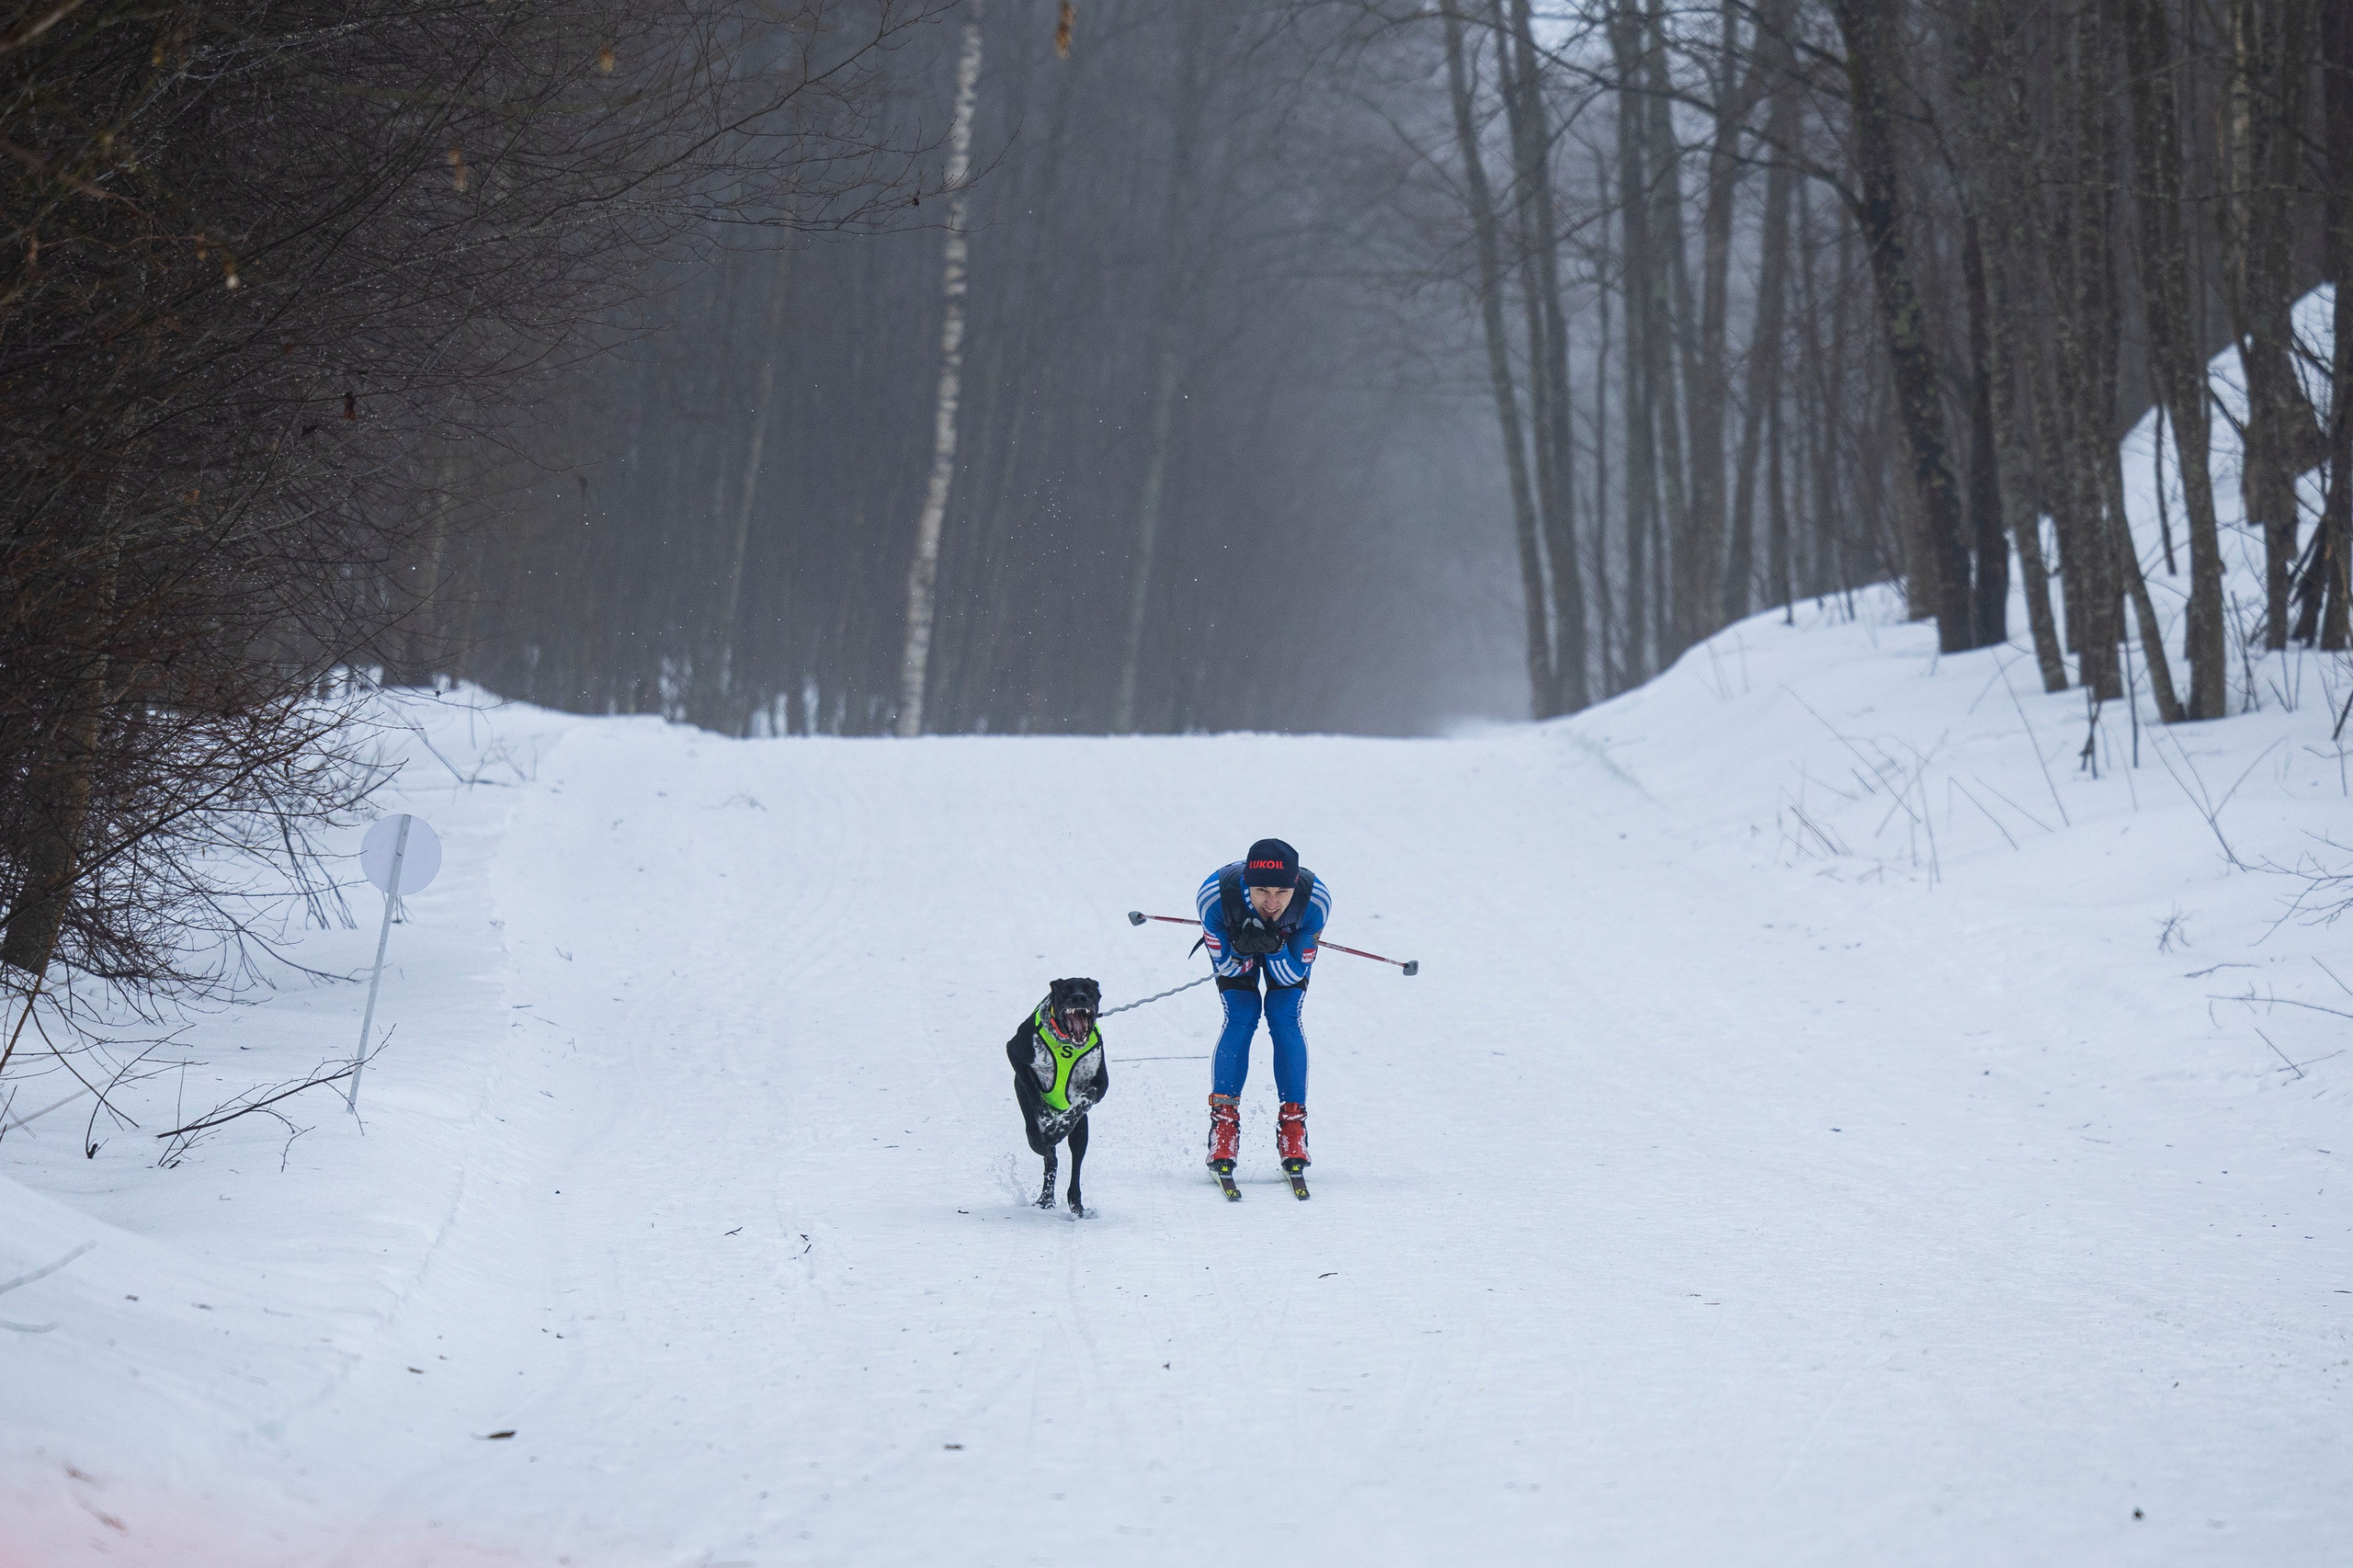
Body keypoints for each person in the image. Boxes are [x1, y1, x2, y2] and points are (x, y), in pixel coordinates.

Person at [1196, 836, 1328, 1176]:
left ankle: (1293, 1127)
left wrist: (1275, 949)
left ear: (1295, 885)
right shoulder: (1215, 898)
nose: (1272, 903)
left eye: (1281, 893)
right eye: (1262, 892)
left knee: (1284, 1015)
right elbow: (1228, 969)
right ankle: (1223, 1126)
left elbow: (1292, 975)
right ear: (1246, 884)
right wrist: (1241, 950)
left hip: (1287, 950)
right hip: (1235, 942)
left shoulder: (1314, 901)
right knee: (1242, 1014)